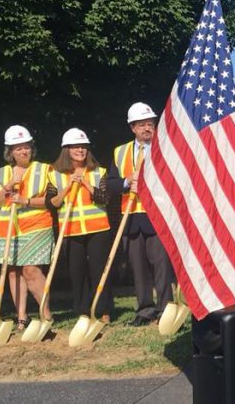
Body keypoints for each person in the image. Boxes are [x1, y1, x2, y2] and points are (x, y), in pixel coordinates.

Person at [107, 102, 175, 327]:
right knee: (137, 266)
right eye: (142, 124)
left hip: (158, 214)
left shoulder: (165, 147)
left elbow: (174, 179)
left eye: (150, 124)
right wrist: (128, 181)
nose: (148, 128)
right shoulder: (120, 151)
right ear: (132, 127)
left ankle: (166, 308)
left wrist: (147, 181)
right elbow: (111, 184)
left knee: (161, 264)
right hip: (131, 216)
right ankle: (145, 310)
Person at [0, 126, 54, 330]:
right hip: (7, 229)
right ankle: (21, 317)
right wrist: (8, 186)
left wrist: (26, 201)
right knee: (13, 273)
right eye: (18, 149)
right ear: (10, 152)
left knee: (31, 269)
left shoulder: (45, 169)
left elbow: (53, 201)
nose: (23, 151)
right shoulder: (1, 173)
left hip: (36, 226)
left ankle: (46, 315)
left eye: (26, 147)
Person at [45, 128, 113, 322]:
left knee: (100, 269)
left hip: (98, 228)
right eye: (75, 147)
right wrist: (67, 187)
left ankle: (104, 310)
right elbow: (52, 204)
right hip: (71, 230)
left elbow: (105, 198)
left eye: (83, 146)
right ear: (66, 150)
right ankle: (83, 311)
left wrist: (85, 183)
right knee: (77, 271)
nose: (80, 150)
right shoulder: (55, 174)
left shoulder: (99, 172)